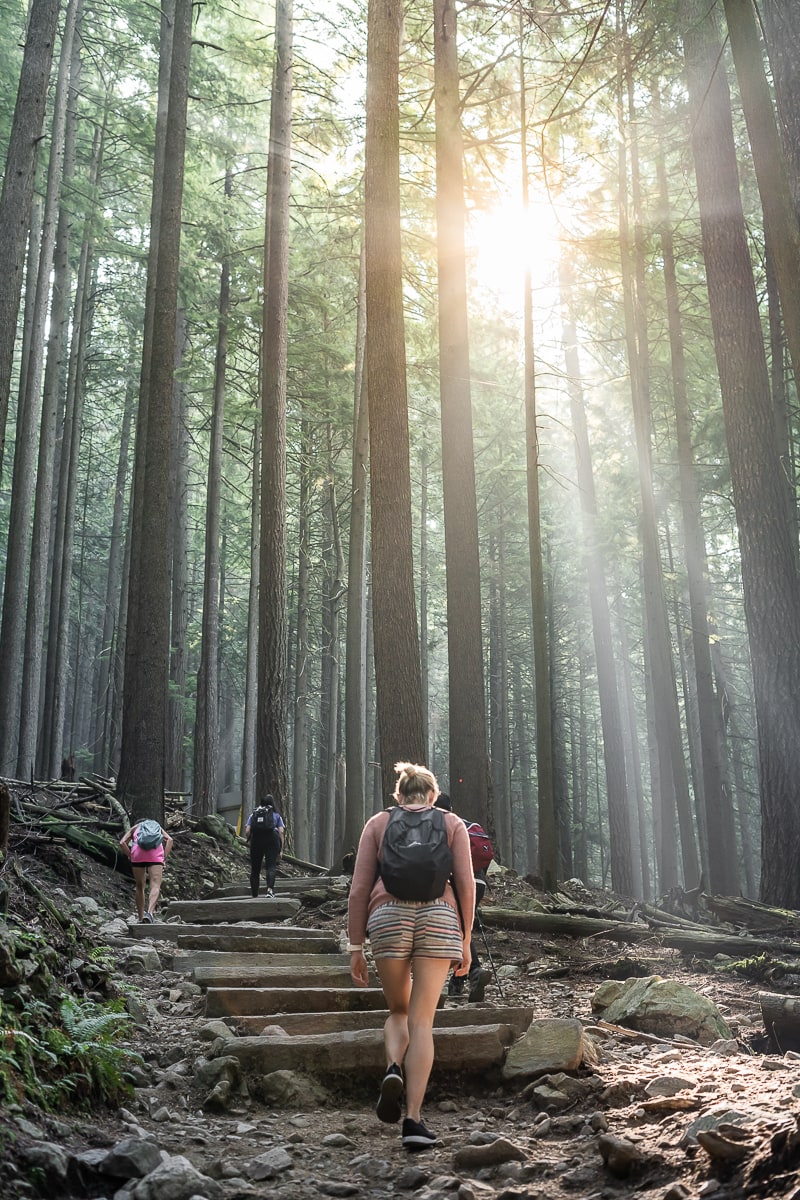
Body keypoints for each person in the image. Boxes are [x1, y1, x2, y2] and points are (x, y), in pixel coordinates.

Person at [348, 761, 476, 1151]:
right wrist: (466, 939)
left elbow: (358, 890)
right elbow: (467, 886)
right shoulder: (452, 824)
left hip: (387, 917)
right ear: (433, 795)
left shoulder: (378, 823)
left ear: (399, 796)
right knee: (422, 1022)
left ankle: (392, 1066)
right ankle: (414, 1120)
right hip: (439, 917)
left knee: (398, 1012)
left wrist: (356, 946)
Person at [435, 793, 492, 1003]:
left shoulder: (440, 825)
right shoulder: (466, 825)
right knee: (462, 929)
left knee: (458, 930)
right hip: (479, 883)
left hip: (457, 882)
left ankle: (474, 972)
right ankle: (458, 982)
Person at [119, 820, 174, 923]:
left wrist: (131, 856)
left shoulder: (135, 827)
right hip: (156, 856)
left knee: (140, 886)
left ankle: (140, 917)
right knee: (155, 885)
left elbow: (122, 843)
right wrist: (163, 858)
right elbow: (170, 840)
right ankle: (149, 913)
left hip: (138, 855)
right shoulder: (157, 826)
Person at [244, 795, 286, 897]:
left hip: (256, 840)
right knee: (271, 866)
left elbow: (247, 831)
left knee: (255, 869)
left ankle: (254, 894)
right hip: (272, 838)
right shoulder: (276, 815)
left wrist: (253, 840)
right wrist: (281, 849)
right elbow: (281, 831)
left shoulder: (254, 814)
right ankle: (269, 890)